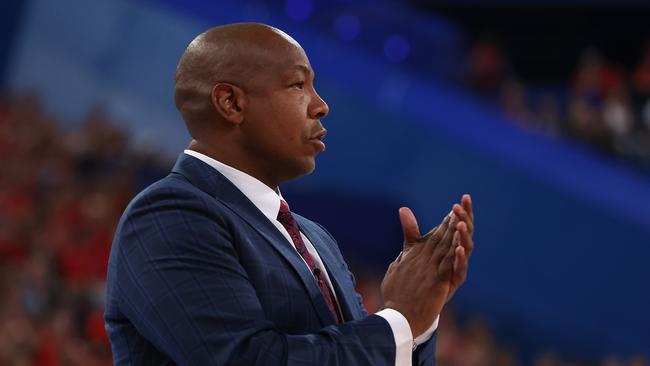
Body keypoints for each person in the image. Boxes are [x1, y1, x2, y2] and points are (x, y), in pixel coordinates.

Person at [104, 22, 475, 365]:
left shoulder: (317, 240)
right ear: (231, 103)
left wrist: (419, 317)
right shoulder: (168, 215)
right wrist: (399, 319)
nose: (321, 105)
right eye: (298, 85)